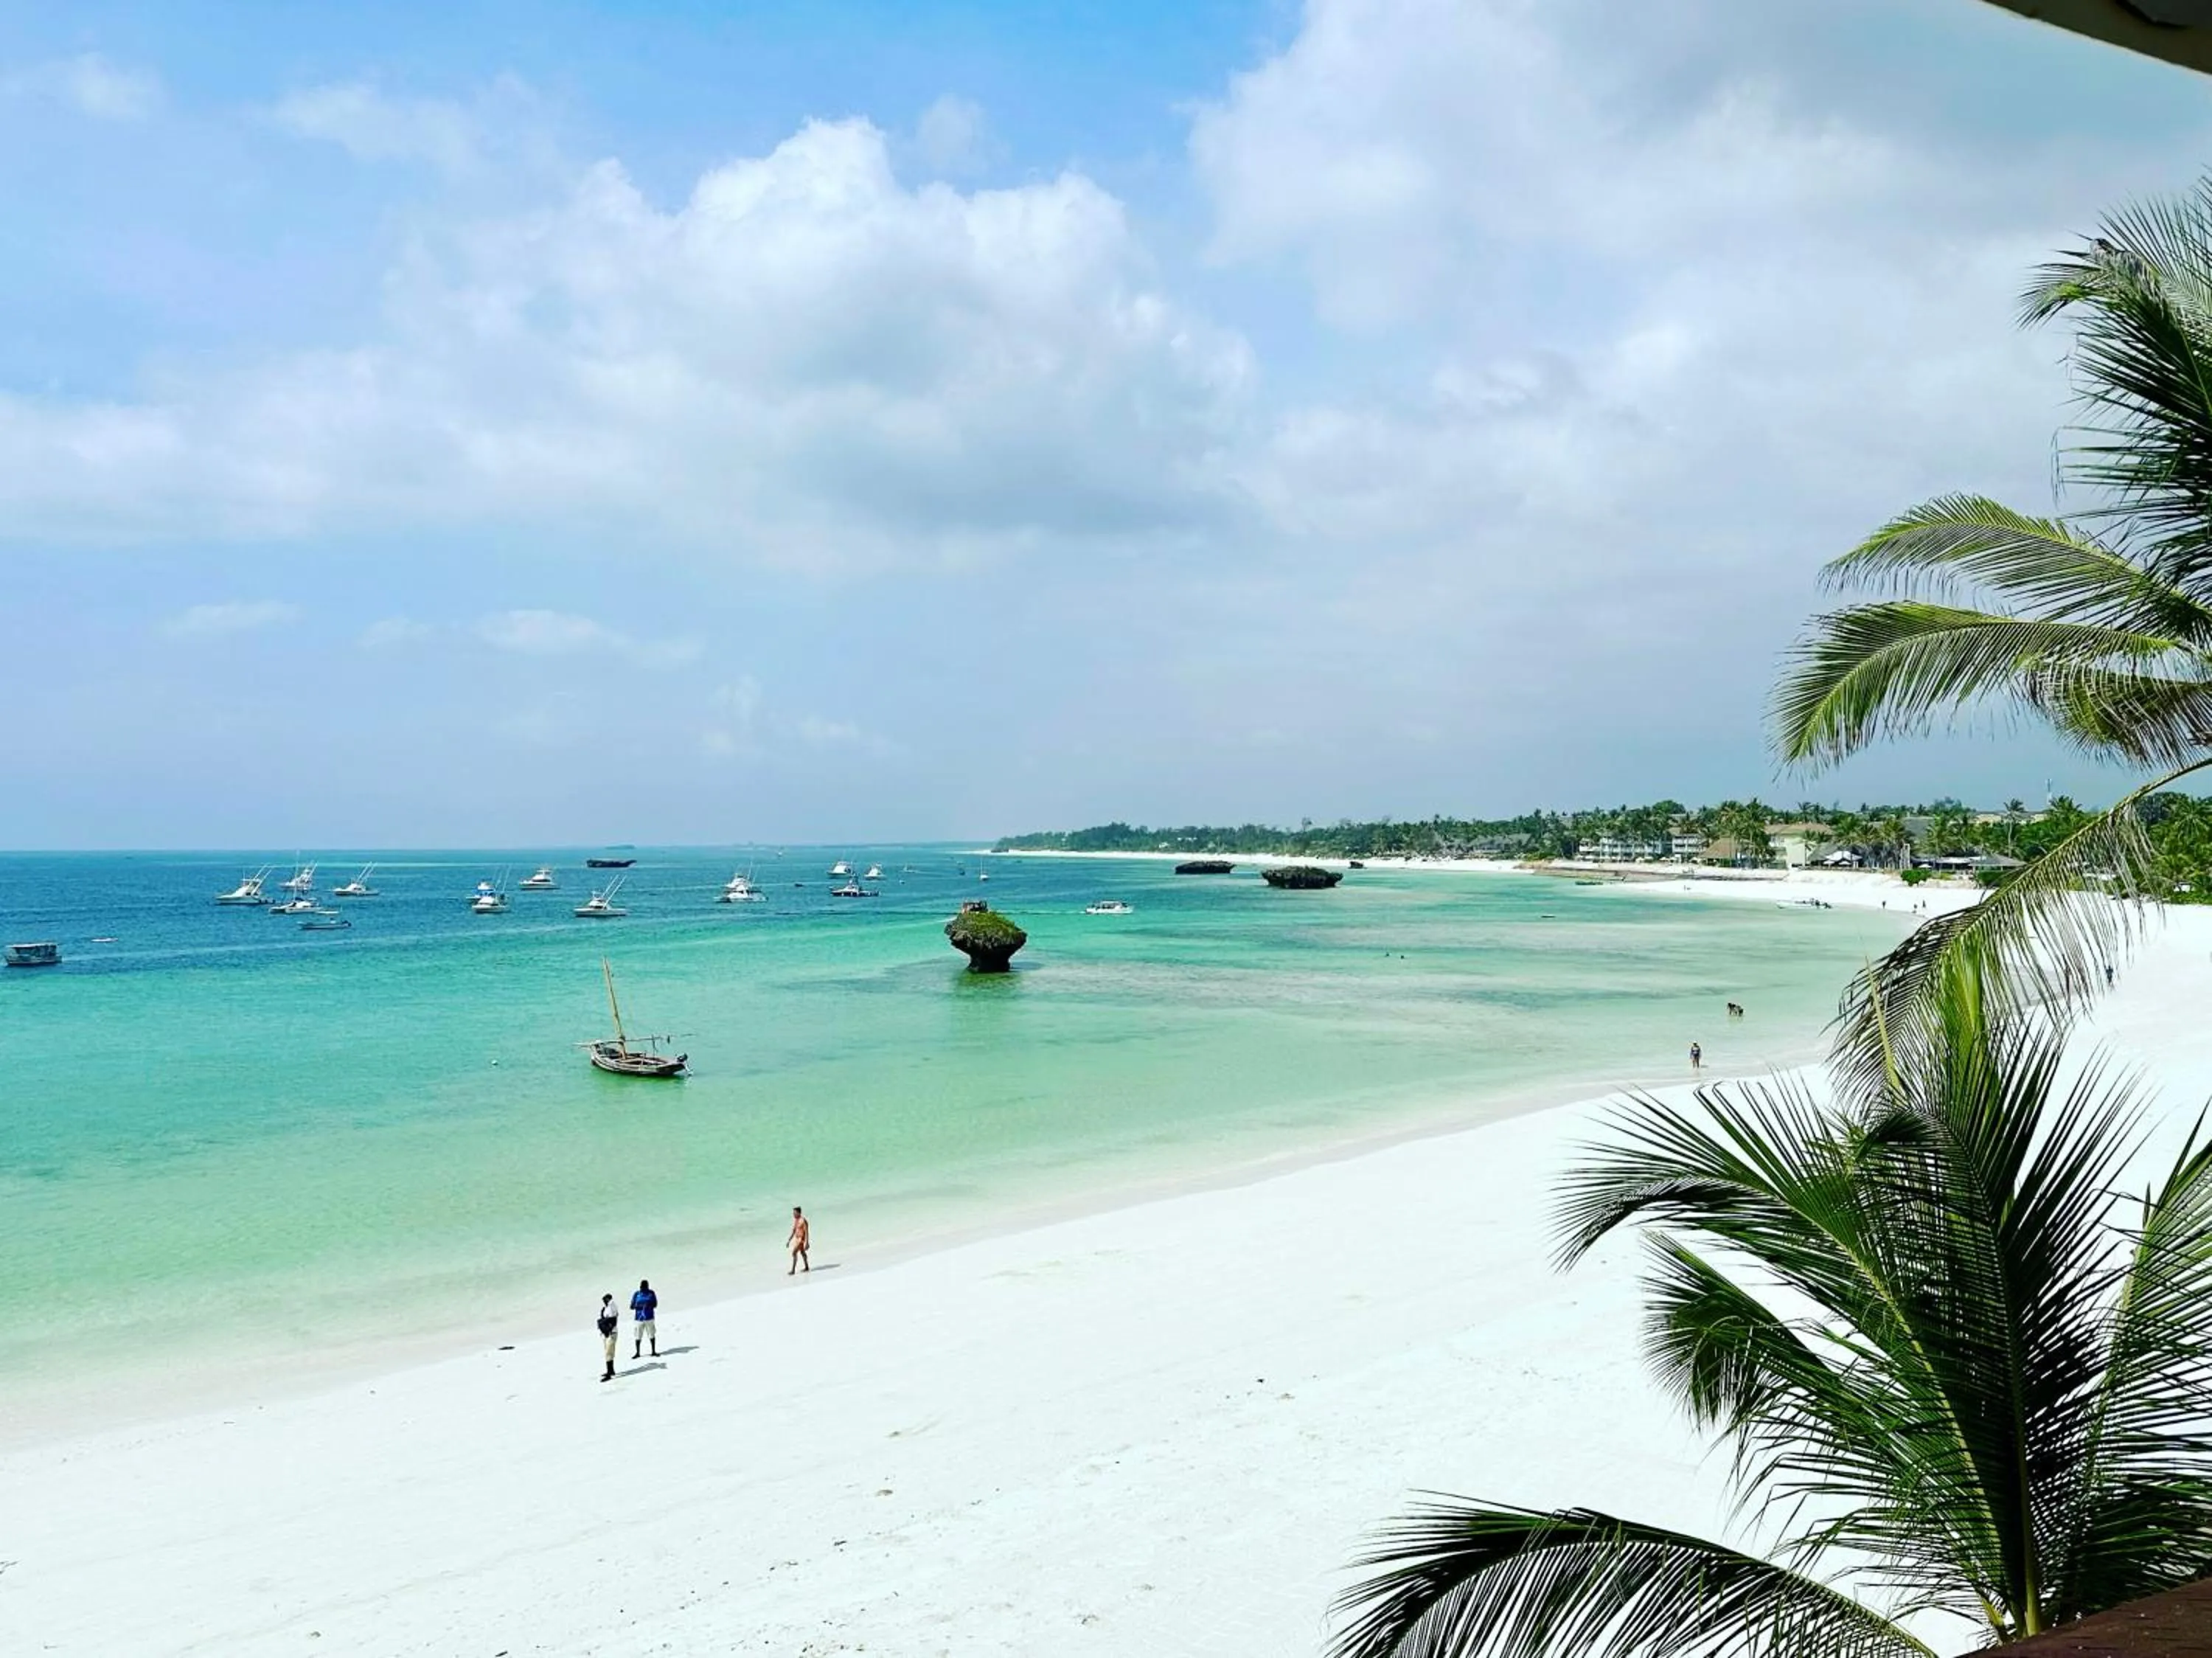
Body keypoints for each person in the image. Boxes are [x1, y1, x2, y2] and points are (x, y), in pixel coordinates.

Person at [630, 1279, 658, 1359]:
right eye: (642, 1288)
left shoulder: (651, 1293)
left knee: (652, 1334)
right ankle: (638, 1353)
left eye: (645, 1287)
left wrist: (648, 1305)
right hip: (639, 1319)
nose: (643, 1289)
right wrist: (641, 1306)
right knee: (638, 1336)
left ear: (648, 1287)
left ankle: (653, 1351)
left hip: (649, 1318)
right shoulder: (637, 1294)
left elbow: (655, 1304)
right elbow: (631, 1307)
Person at [596, 1293, 619, 1382]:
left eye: (605, 1300)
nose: (604, 1302)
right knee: (608, 1352)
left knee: (608, 1353)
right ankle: (611, 1371)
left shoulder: (612, 1306)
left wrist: (607, 1331)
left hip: (611, 1333)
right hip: (607, 1333)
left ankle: (609, 1374)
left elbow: (613, 1321)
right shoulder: (607, 1308)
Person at [787, 1205, 810, 1275]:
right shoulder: (796, 1220)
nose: (793, 1214)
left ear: (799, 1213)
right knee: (802, 1253)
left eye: (795, 1213)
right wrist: (789, 1240)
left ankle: (793, 1270)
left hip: (801, 1239)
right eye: (793, 1213)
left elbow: (806, 1232)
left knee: (794, 1253)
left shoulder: (803, 1220)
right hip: (797, 1239)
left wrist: (807, 1242)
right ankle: (807, 1267)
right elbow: (794, 1230)